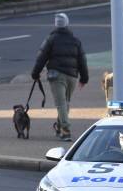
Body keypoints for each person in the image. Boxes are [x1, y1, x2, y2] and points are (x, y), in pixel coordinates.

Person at [31, 13, 88, 142]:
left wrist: (35, 73)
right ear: (67, 24)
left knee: (61, 103)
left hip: (56, 76)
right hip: (72, 77)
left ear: (56, 25)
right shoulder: (75, 40)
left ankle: (66, 130)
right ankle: (59, 126)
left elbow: (41, 57)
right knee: (65, 103)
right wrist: (84, 78)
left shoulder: (51, 39)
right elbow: (82, 60)